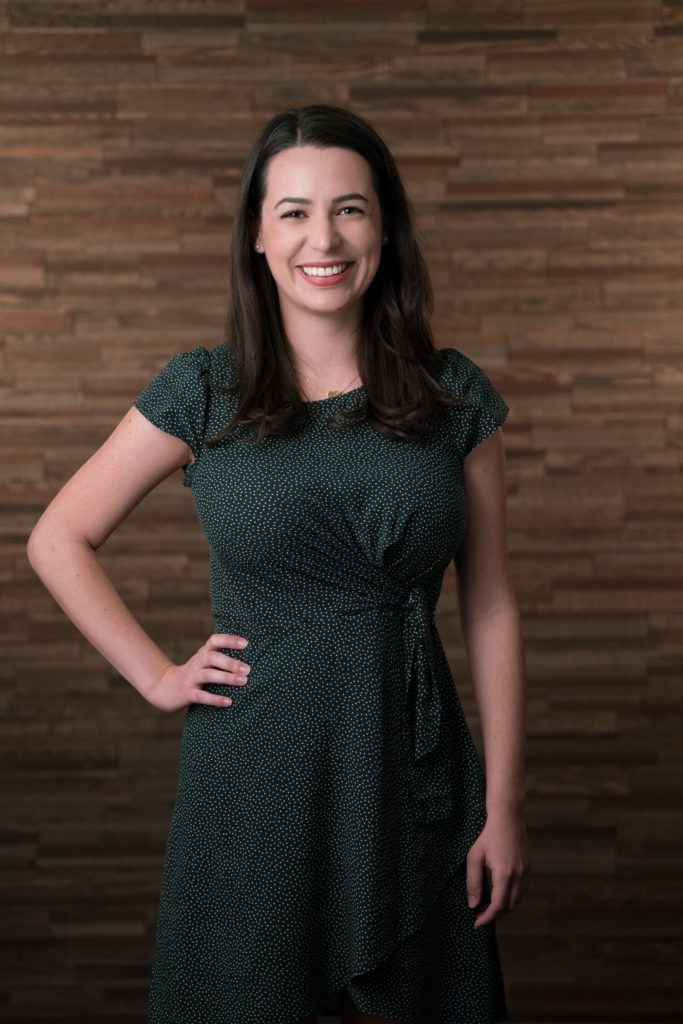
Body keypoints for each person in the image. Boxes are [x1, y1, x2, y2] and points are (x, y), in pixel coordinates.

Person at [26, 104, 530, 1024]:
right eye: (293, 211)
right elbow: (56, 538)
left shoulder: (455, 395)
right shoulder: (202, 388)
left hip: (413, 776)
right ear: (258, 236)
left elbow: (490, 607)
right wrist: (156, 674)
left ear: (384, 228)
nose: (322, 237)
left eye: (349, 208)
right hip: (253, 774)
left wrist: (502, 805)